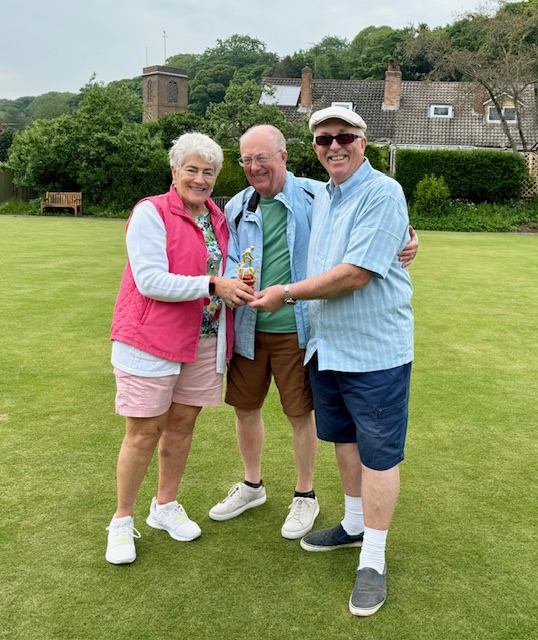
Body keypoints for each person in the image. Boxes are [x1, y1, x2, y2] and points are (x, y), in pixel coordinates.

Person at [209, 124, 417, 541]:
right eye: (247, 159)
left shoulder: (316, 194)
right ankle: (252, 486)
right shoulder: (234, 206)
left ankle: (305, 494)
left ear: (284, 157)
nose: (254, 167)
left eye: (262, 157)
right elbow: (225, 254)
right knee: (245, 408)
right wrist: (229, 283)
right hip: (248, 326)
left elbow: (372, 225)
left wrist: (409, 238)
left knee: (298, 413)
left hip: (300, 329)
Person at [249, 106, 414, 617]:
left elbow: (356, 273)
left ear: (363, 141)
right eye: (323, 140)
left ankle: (374, 557)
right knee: (342, 439)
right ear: (314, 148)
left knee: (379, 454)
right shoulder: (320, 194)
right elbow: (267, 175)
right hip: (327, 345)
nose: (334, 146)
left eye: (344, 137)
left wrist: (287, 293)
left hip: (374, 349)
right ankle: (353, 522)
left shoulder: (383, 191)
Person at [105, 132, 255, 565]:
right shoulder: (151, 212)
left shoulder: (217, 217)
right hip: (151, 340)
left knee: (182, 426)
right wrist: (213, 284)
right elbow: (150, 279)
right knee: (143, 433)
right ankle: (121, 520)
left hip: (205, 338)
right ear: (174, 171)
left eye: (209, 171)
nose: (201, 178)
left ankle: (165, 506)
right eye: (191, 169)